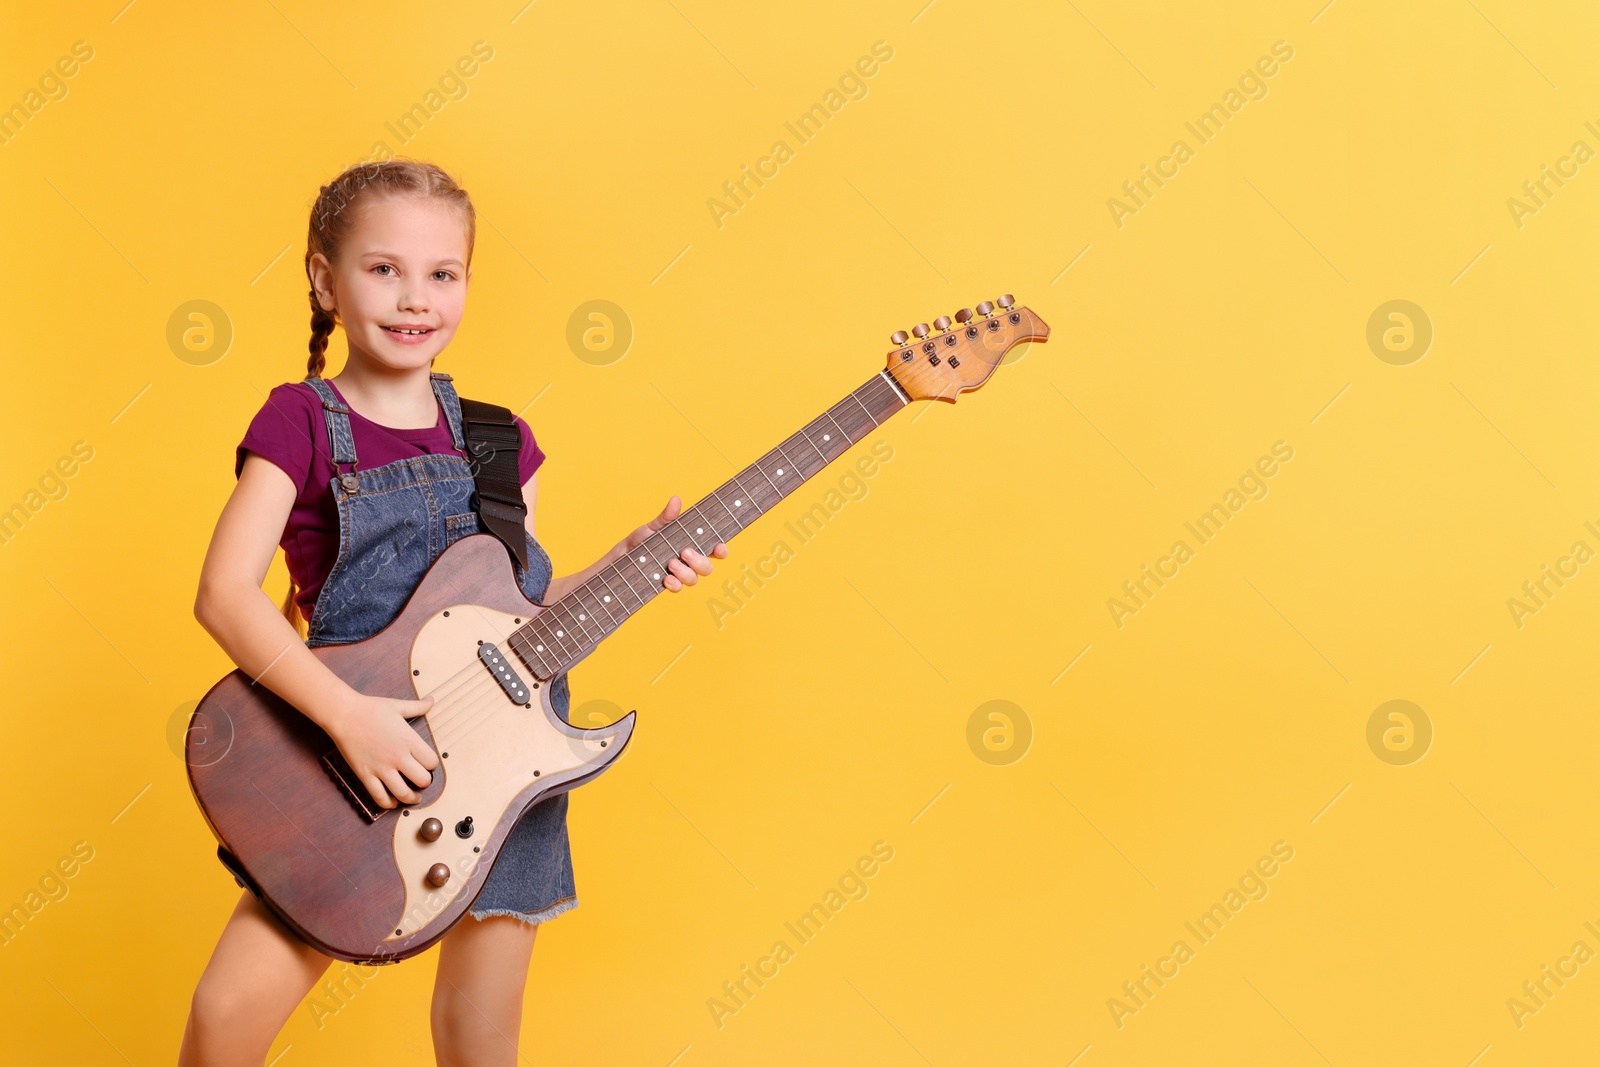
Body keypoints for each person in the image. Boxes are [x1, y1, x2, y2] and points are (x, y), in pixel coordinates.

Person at [178, 158, 728, 1066]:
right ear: (325, 277)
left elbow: (522, 614)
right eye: (382, 268)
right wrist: (351, 720)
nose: (413, 298)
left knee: (478, 1037)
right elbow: (223, 594)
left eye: (443, 274)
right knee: (226, 1015)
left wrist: (629, 563)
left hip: (503, 777)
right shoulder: (299, 422)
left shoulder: (503, 440)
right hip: (346, 769)